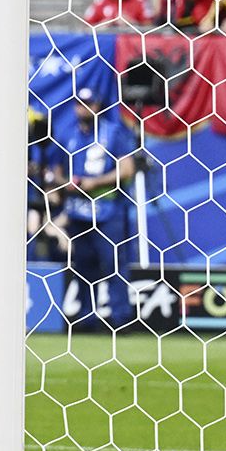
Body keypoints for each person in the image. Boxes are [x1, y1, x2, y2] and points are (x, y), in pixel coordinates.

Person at [54, 87, 138, 331]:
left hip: (107, 210)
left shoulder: (113, 133)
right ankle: (85, 317)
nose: (84, 108)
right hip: (78, 209)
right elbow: (57, 169)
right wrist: (66, 183)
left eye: (89, 103)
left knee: (113, 264)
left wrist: (95, 183)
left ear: (98, 106)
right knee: (83, 265)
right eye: (80, 103)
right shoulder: (67, 134)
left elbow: (127, 170)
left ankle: (120, 318)